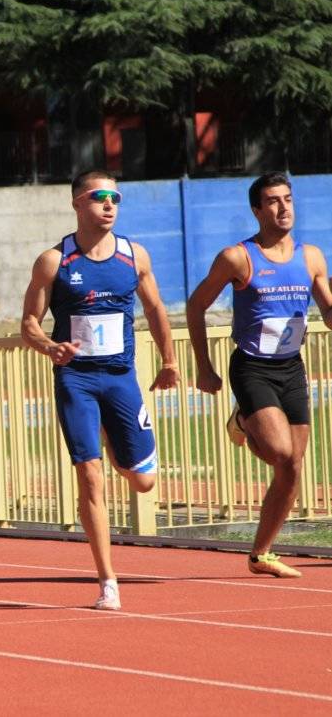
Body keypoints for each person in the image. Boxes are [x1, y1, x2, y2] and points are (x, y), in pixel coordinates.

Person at [21, 169, 179, 611]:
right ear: (77, 204)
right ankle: (107, 579)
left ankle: (114, 436)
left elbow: (155, 308)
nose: (109, 205)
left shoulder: (134, 256)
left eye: (115, 198)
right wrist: (51, 347)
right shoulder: (54, 261)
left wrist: (169, 362)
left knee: (143, 481)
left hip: (121, 379)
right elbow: (28, 324)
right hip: (77, 381)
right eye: (98, 197)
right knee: (90, 477)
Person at [186, 171, 332, 579]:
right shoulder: (238, 257)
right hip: (252, 367)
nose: (283, 207)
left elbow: (329, 313)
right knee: (281, 453)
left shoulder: (312, 257)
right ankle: (247, 424)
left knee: (293, 466)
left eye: (288, 199)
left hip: (291, 367)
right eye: (273, 201)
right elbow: (196, 306)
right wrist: (204, 367)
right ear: (257, 209)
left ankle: (260, 553)